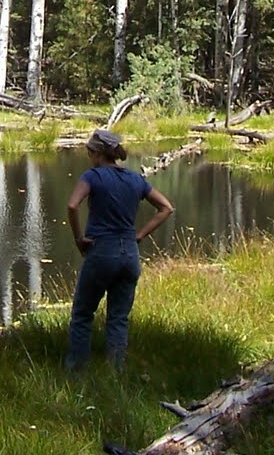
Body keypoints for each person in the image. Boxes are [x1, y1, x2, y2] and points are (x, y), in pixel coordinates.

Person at [65, 127, 175, 370]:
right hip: (129, 255)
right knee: (118, 319)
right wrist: (139, 235)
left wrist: (79, 239)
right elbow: (166, 207)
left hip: (101, 252)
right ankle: (116, 374)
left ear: (96, 153)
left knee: (83, 314)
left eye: (89, 152)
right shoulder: (135, 179)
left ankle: (76, 372)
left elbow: (73, 206)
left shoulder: (92, 177)